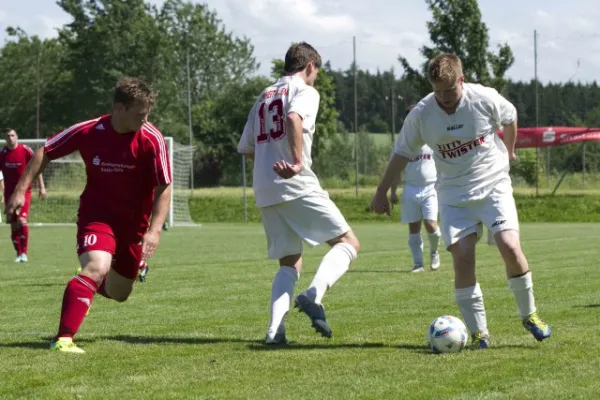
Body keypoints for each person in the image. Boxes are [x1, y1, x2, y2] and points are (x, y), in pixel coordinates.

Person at [370, 53, 551, 349]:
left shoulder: (483, 98)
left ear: (461, 81)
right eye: (437, 90)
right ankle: (480, 333)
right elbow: (401, 152)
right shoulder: (422, 113)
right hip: (453, 193)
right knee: (463, 256)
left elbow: (510, 114)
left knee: (509, 245)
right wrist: (381, 191)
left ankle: (529, 315)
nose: (443, 98)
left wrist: (510, 149)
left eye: (449, 90)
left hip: (493, 184)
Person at [6, 77, 172, 353]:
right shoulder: (89, 130)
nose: (145, 119)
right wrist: (20, 190)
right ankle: (64, 339)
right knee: (97, 266)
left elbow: (164, 186)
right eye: (139, 114)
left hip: (134, 226)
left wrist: (154, 230)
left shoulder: (151, 139)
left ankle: (90, 282)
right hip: (98, 217)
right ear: (119, 108)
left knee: (120, 293)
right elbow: (44, 151)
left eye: (147, 114)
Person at [238, 42, 360, 345]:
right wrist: (294, 162)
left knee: (289, 262)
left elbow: (246, 147)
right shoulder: (305, 91)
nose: (315, 77)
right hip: (295, 182)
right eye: (316, 72)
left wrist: (269, 166)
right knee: (348, 242)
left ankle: (274, 332)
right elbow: (294, 118)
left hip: (266, 189)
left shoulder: (264, 96)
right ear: (309, 67)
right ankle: (313, 295)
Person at [390, 105, 441, 272]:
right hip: (410, 188)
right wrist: (392, 191)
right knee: (414, 228)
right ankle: (418, 264)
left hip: (430, 187)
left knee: (431, 224)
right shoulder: (402, 143)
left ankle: (434, 252)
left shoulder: (433, 139)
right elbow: (395, 169)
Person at [0, 128, 47, 262]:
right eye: (7, 136)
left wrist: (42, 187)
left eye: (12, 135)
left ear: (17, 136)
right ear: (5, 138)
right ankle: (19, 253)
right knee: (13, 224)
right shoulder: (2, 154)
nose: (10, 138)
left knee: (22, 220)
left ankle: (24, 253)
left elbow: (37, 168)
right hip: (9, 193)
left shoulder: (25, 150)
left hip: (24, 191)